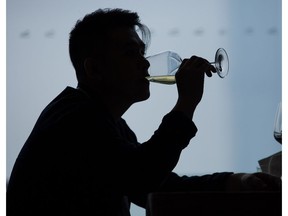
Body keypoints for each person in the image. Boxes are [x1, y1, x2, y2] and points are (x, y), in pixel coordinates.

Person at [7, 8, 281, 216]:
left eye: (142, 53)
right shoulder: (74, 119)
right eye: (130, 54)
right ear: (94, 70)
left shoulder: (110, 123)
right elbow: (142, 175)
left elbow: (152, 186)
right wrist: (187, 102)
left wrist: (235, 181)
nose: (145, 65)